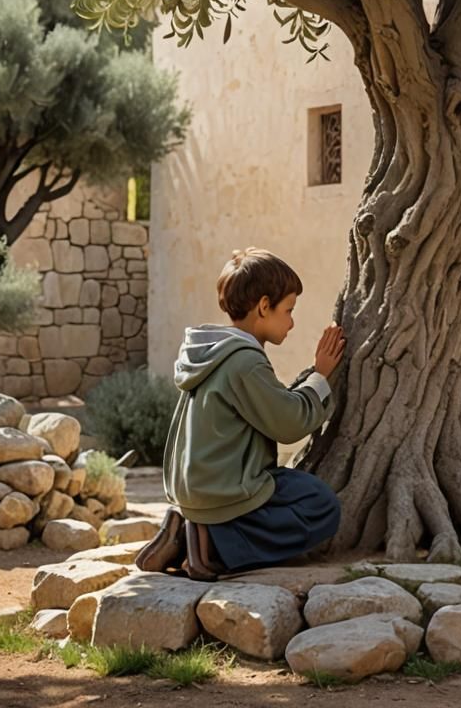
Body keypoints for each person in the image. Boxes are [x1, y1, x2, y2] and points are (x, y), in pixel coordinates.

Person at [136, 247, 345, 578]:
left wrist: (309, 379)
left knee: (298, 491)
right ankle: (210, 547)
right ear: (264, 306)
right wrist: (321, 376)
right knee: (321, 505)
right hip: (225, 490)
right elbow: (289, 423)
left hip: (198, 490)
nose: (292, 321)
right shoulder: (243, 362)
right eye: (289, 310)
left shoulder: (213, 353)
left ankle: (191, 532)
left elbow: (272, 404)